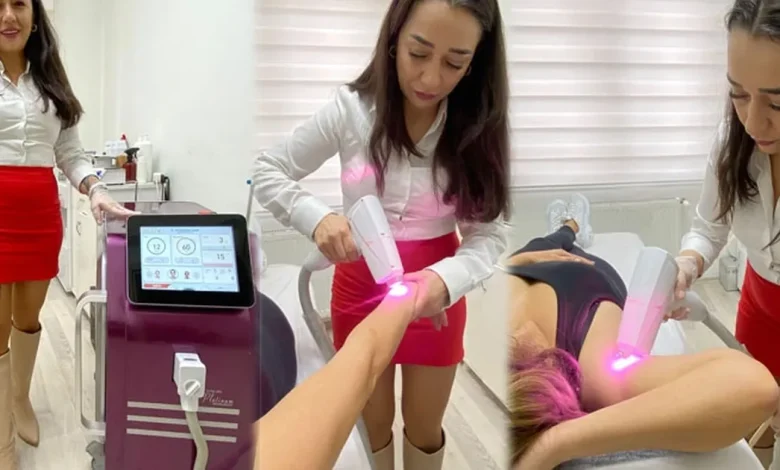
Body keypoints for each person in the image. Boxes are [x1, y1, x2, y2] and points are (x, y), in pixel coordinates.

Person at [252, 0, 510, 468]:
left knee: (425, 429)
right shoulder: (350, 111)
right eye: (419, 53)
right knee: (371, 427)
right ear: (394, 40)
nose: (431, 78)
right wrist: (317, 219)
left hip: (437, 291)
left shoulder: (477, 126)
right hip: (360, 286)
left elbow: (488, 234)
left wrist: (445, 282)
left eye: (454, 63)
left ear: (476, 62)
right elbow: (268, 170)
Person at [506, 195, 780, 470]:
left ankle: (568, 226)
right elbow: (754, 386)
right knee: (558, 241)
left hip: (518, 268)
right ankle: (570, 226)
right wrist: (553, 444)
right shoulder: (598, 377)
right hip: (585, 278)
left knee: (547, 242)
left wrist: (507, 266)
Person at [0, 1, 135, 468]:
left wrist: (95, 188)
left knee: (27, 318)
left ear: (35, 16)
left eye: (19, 4)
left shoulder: (51, 82)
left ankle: (20, 398)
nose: (8, 15)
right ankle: (3, 442)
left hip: (38, 217)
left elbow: (70, 153)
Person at [671, 0, 780, 462]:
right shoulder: (732, 144)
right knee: (754, 423)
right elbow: (708, 227)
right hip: (759, 310)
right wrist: (687, 263)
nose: (752, 122)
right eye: (739, 94)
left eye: (777, 101)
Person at [254, 280, 423, 470]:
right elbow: (366, 359)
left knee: (422, 427)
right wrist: (407, 300)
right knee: (376, 425)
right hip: (393, 292)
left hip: (421, 287)